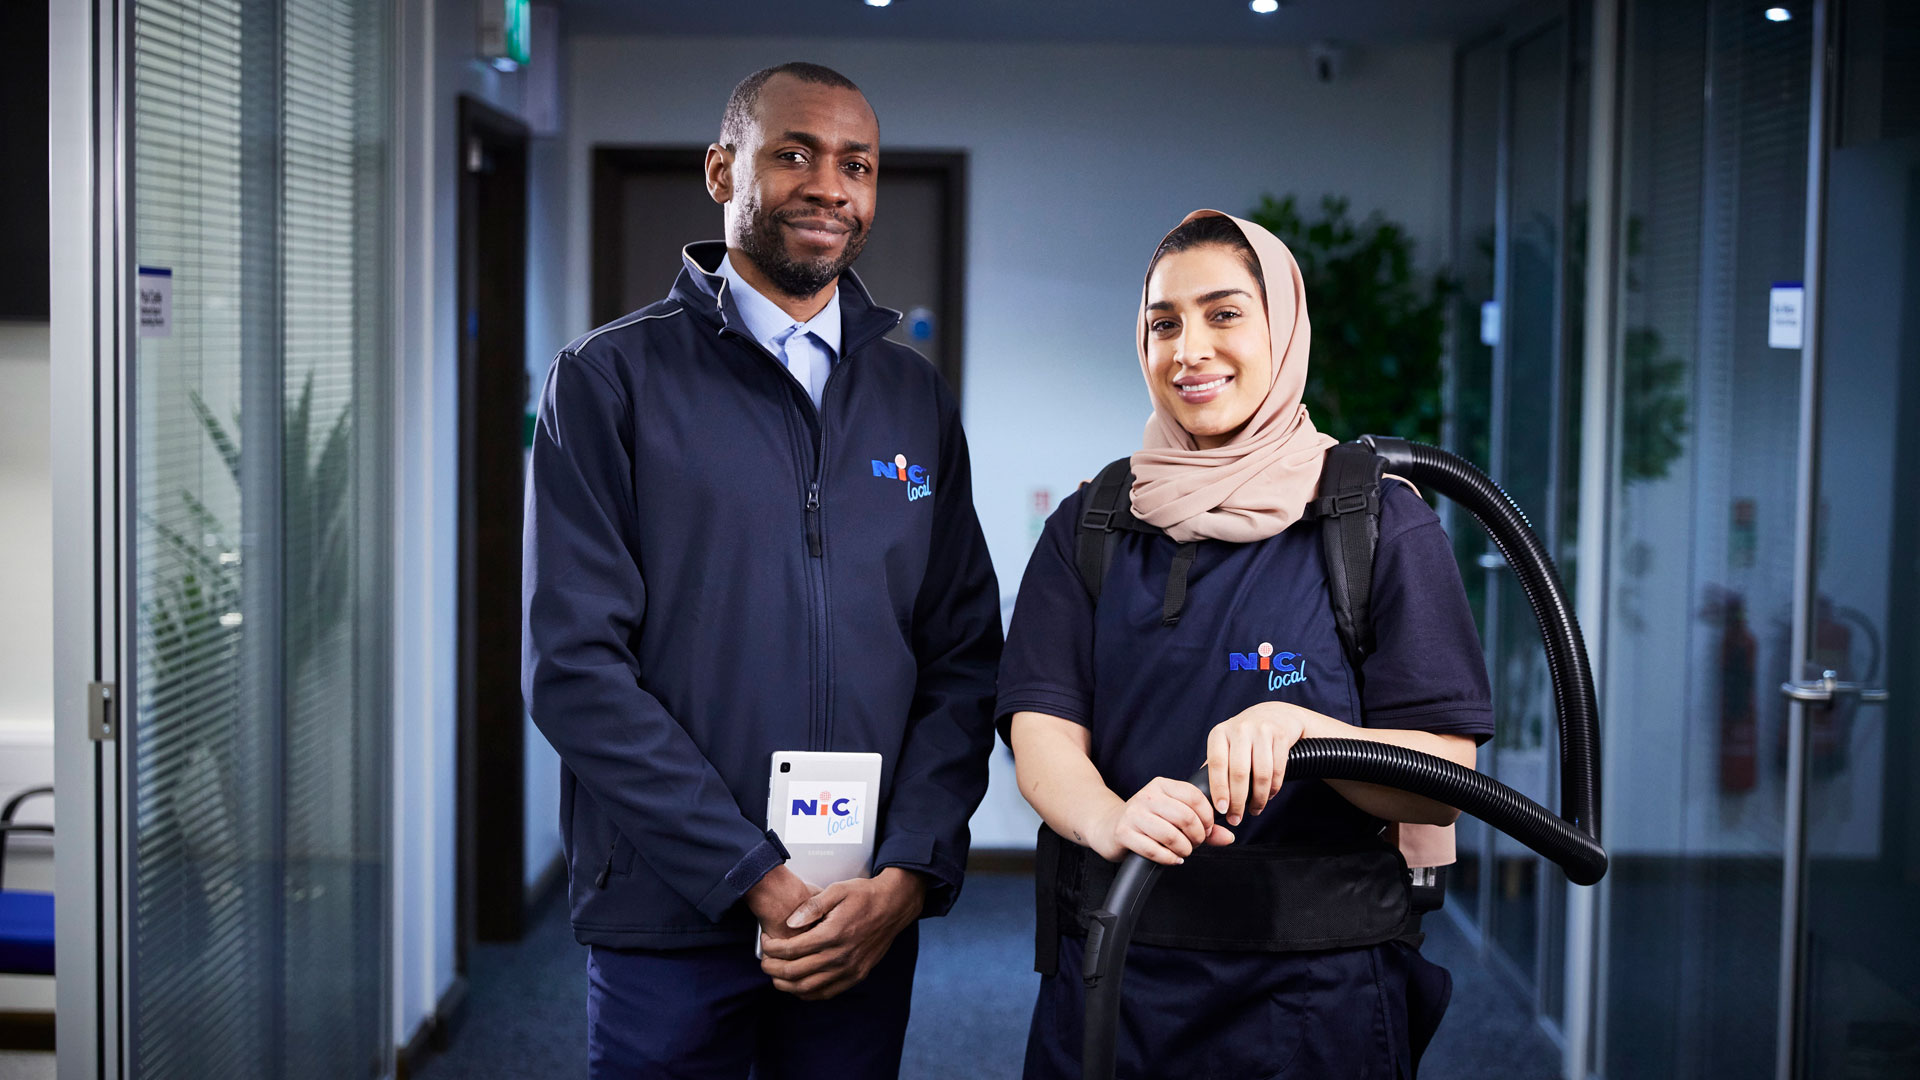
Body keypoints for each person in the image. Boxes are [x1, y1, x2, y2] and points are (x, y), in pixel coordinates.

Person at [522, 62, 1002, 1079]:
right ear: (719, 169)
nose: (830, 185)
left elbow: (964, 658)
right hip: (669, 907)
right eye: (795, 153)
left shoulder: (914, 399)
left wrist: (908, 873)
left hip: (858, 915)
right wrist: (752, 875)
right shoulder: (609, 381)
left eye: (856, 165)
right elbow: (575, 669)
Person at [997, 210, 1492, 1079]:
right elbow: (1041, 727)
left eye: (1224, 314)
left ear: (1284, 327)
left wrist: (1311, 734)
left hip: (1315, 995)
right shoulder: (1095, 523)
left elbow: (1442, 782)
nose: (1189, 349)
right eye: (1164, 323)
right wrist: (1111, 818)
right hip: (1116, 972)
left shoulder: (1376, 520)